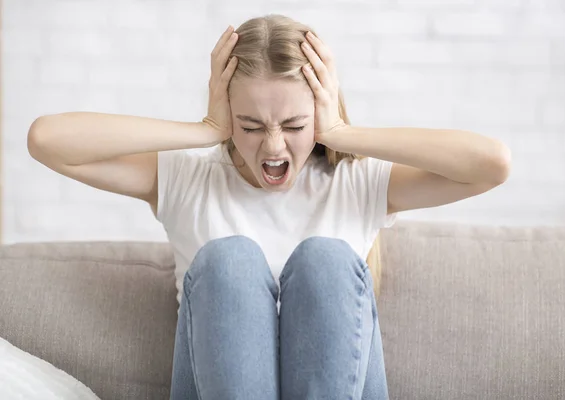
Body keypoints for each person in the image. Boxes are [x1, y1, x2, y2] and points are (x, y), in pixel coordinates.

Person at [27, 13, 511, 400]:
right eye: (251, 125)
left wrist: (343, 133)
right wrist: (202, 130)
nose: (274, 147)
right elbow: (48, 140)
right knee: (228, 259)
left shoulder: (357, 182)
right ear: (228, 117)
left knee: (326, 258)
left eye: (295, 125)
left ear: (319, 116)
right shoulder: (189, 180)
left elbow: (491, 164)